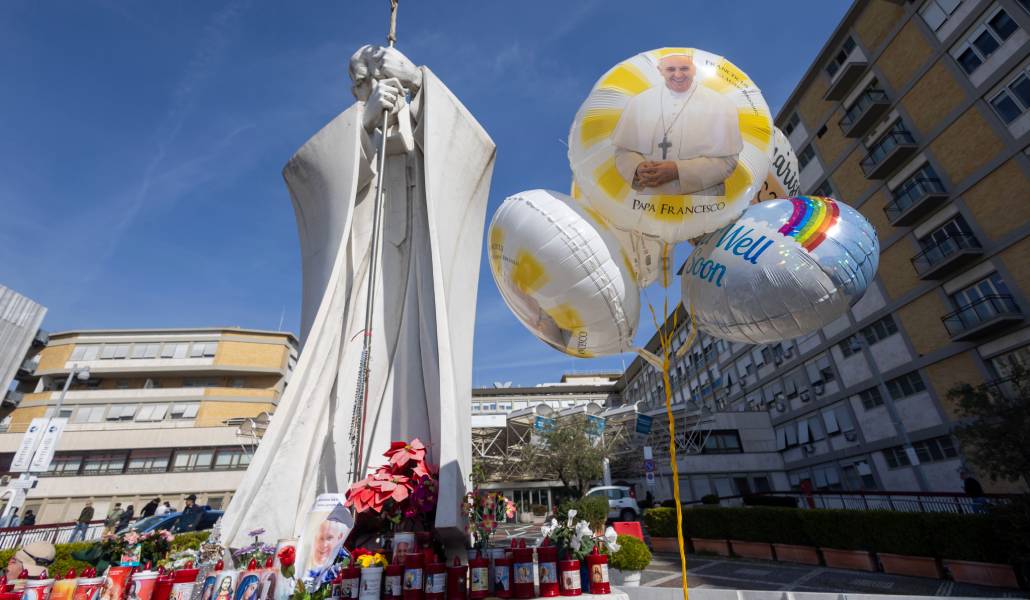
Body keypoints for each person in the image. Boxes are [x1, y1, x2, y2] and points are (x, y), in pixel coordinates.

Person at [219, 43, 493, 551]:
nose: (378, 91)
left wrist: (419, 90)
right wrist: (364, 124)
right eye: (366, 85)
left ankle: (422, 498)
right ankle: (339, 496)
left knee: (417, 364)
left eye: (384, 83)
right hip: (363, 268)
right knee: (349, 374)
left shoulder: (418, 108)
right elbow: (311, 174)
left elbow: (470, 150)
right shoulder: (355, 125)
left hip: (419, 269)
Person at [612, 53, 743, 197]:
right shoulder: (639, 102)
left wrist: (677, 171)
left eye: (684, 68)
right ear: (660, 70)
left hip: (702, 204)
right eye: (670, 69)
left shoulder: (721, 105)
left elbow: (728, 161)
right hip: (648, 203)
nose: (678, 74)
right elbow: (623, 151)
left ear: (694, 69)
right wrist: (637, 167)